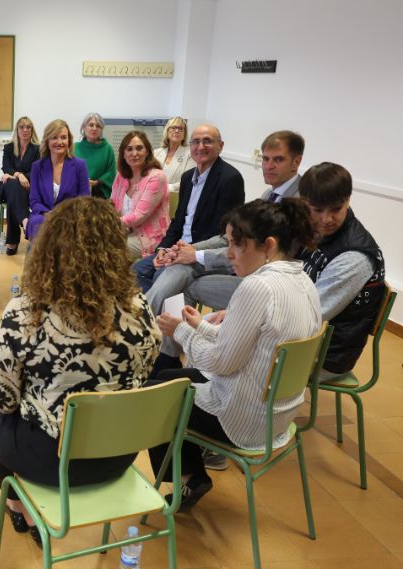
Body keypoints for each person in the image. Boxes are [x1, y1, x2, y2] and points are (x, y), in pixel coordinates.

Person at [0, 197, 160, 546]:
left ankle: (19, 507)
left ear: (50, 247)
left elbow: (1, 397)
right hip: (120, 454)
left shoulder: (26, 312)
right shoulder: (139, 309)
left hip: (53, 462)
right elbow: (146, 368)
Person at [150, 198, 322, 510]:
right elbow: (253, 345)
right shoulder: (303, 280)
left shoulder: (256, 287)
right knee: (168, 376)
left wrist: (180, 332)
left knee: (156, 393)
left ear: (268, 245)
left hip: (244, 420)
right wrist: (199, 326)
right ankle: (192, 476)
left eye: (236, 245)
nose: (229, 254)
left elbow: (220, 362)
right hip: (279, 416)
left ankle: (188, 477)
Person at [177, 162, 386, 383]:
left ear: (348, 201)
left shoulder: (354, 256)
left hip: (320, 353)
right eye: (317, 210)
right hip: (294, 331)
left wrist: (239, 322)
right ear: (305, 204)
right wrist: (232, 315)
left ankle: (203, 399)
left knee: (216, 350)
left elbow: (311, 314)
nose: (326, 219)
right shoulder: (314, 232)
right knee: (212, 328)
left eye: (336, 209)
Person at [146, 131, 305, 374]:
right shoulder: (269, 194)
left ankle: (161, 351)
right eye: (265, 159)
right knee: (160, 269)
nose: (269, 166)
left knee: (182, 282)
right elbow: (230, 239)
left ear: (296, 161)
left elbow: (242, 249)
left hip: (264, 285)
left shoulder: (295, 202)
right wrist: (186, 249)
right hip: (239, 268)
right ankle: (164, 353)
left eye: (278, 160)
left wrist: (196, 255)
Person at [132, 124, 245, 292]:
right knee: (134, 272)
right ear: (190, 146)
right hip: (176, 248)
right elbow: (178, 222)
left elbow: (221, 233)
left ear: (220, 146)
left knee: (158, 276)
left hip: (200, 253)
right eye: (196, 142)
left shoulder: (230, 179)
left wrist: (184, 251)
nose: (200, 147)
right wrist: (163, 249)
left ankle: (163, 314)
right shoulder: (187, 178)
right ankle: (157, 313)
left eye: (207, 141)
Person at [26, 119, 90, 241]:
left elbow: (84, 199)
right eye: (54, 137)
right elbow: (34, 200)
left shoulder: (79, 165)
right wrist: (49, 214)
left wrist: (62, 214)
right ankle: (39, 259)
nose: (59, 142)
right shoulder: (37, 167)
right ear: (47, 141)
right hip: (44, 215)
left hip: (71, 215)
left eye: (63, 137)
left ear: (69, 141)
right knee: (36, 222)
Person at [110, 130, 169, 258]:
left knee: (107, 250)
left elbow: (138, 217)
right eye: (129, 149)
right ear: (123, 154)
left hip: (148, 238)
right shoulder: (121, 176)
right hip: (123, 231)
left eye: (139, 148)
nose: (134, 153)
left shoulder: (157, 177)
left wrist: (108, 223)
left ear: (147, 152)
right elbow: (112, 205)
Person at [0, 116, 40, 255]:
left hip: (28, 189)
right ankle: (26, 222)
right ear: (17, 130)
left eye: (28, 127)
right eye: (22, 127)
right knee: (13, 185)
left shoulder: (37, 149)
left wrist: (13, 175)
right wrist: (18, 175)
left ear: (32, 130)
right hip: (7, 187)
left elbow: (36, 170)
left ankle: (12, 241)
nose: (25, 130)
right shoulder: (9, 147)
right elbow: (6, 167)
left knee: (13, 197)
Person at [74, 112, 116, 199]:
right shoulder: (74, 148)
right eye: (91, 125)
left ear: (101, 129)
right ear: (84, 127)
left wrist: (97, 182)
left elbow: (111, 173)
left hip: (99, 195)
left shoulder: (108, 149)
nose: (94, 128)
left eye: (98, 126)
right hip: (76, 193)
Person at [153, 117, 195, 194]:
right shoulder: (156, 153)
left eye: (181, 129)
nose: (177, 131)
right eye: (173, 127)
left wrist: (167, 187)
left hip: (176, 197)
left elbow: (189, 180)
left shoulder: (190, 154)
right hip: (154, 195)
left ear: (184, 134)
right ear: (167, 131)